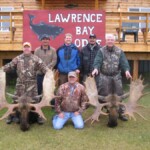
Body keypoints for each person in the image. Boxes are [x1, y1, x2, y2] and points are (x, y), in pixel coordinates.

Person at [3, 42, 48, 124]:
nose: (26, 49)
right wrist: (2, 69)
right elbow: (9, 65)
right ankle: (11, 116)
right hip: (20, 84)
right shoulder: (18, 58)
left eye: (28, 47)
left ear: (31, 48)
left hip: (32, 85)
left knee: (35, 101)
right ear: (23, 49)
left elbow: (44, 68)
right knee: (15, 101)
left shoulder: (36, 59)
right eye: (25, 47)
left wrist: (49, 73)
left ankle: (38, 116)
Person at [92, 34, 132, 121]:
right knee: (102, 95)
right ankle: (99, 112)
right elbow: (97, 61)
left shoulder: (119, 51)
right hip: (104, 76)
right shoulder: (101, 51)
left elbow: (124, 62)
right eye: (108, 39)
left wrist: (126, 70)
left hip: (116, 76)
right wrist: (95, 68)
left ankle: (121, 113)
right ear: (106, 41)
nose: (110, 41)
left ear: (114, 41)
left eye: (111, 39)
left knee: (119, 95)